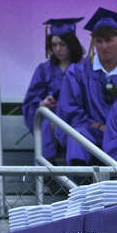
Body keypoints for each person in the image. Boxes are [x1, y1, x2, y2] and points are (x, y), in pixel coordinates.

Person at [23, 18, 84, 163]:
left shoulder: (84, 69)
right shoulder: (44, 70)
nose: (57, 49)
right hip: (52, 119)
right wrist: (42, 103)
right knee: (47, 125)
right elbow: (30, 101)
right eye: (54, 44)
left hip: (76, 118)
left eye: (62, 44)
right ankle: (49, 172)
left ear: (71, 44)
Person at [64, 8, 117, 161]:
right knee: (77, 136)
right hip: (91, 130)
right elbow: (71, 110)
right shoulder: (78, 72)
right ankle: (76, 182)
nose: (104, 46)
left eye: (109, 40)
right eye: (99, 41)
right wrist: (99, 127)